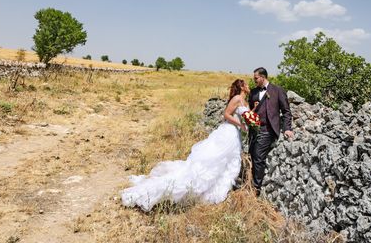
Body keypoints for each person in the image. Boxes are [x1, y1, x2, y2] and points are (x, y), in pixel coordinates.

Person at [121, 79, 250, 211]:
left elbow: (247, 115)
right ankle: (163, 190)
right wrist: (240, 124)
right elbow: (226, 115)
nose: (248, 85)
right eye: (246, 84)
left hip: (235, 135)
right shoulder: (237, 98)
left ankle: (219, 187)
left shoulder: (244, 100)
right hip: (228, 133)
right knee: (216, 161)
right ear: (241, 87)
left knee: (229, 162)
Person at [248, 67, 293, 193]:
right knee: (251, 154)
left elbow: (286, 112)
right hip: (254, 130)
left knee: (258, 157)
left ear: (263, 77)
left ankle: (256, 189)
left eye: (256, 78)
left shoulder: (278, 90)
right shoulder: (253, 92)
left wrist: (287, 128)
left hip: (268, 129)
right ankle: (250, 182)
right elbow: (251, 110)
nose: (254, 81)